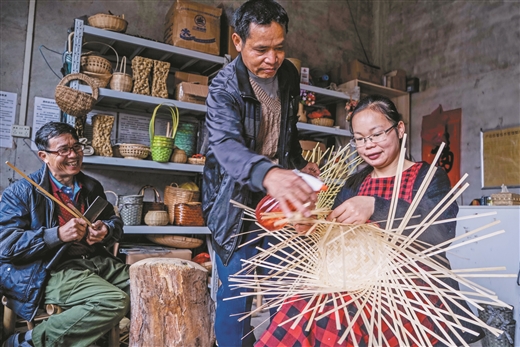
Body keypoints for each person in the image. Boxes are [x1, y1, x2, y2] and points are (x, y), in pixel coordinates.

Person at [256, 95, 484, 346]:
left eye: (376, 134)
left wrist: (375, 206)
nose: (369, 145)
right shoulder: (354, 183)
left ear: (399, 129)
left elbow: (441, 232)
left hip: (411, 288)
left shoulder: (428, 177)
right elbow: (335, 234)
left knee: (336, 309)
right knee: (302, 301)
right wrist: (313, 226)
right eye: (360, 139)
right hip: (358, 281)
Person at [201, 0, 320, 345]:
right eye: (261, 49)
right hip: (232, 202)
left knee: (285, 290)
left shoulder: (288, 75)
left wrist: (297, 164)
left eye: (279, 48)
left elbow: (287, 128)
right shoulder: (223, 87)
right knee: (237, 297)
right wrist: (270, 174)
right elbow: (225, 147)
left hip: (276, 197)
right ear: (238, 43)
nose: (272, 59)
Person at [0, 122, 129, 347]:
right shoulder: (22, 192)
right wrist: (57, 235)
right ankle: (26, 341)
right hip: (48, 270)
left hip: (95, 262)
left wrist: (106, 230)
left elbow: (115, 222)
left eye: (76, 147)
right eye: (63, 150)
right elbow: (6, 245)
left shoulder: (91, 186)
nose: (73, 155)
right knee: (113, 301)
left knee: (155, 287)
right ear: (44, 156)